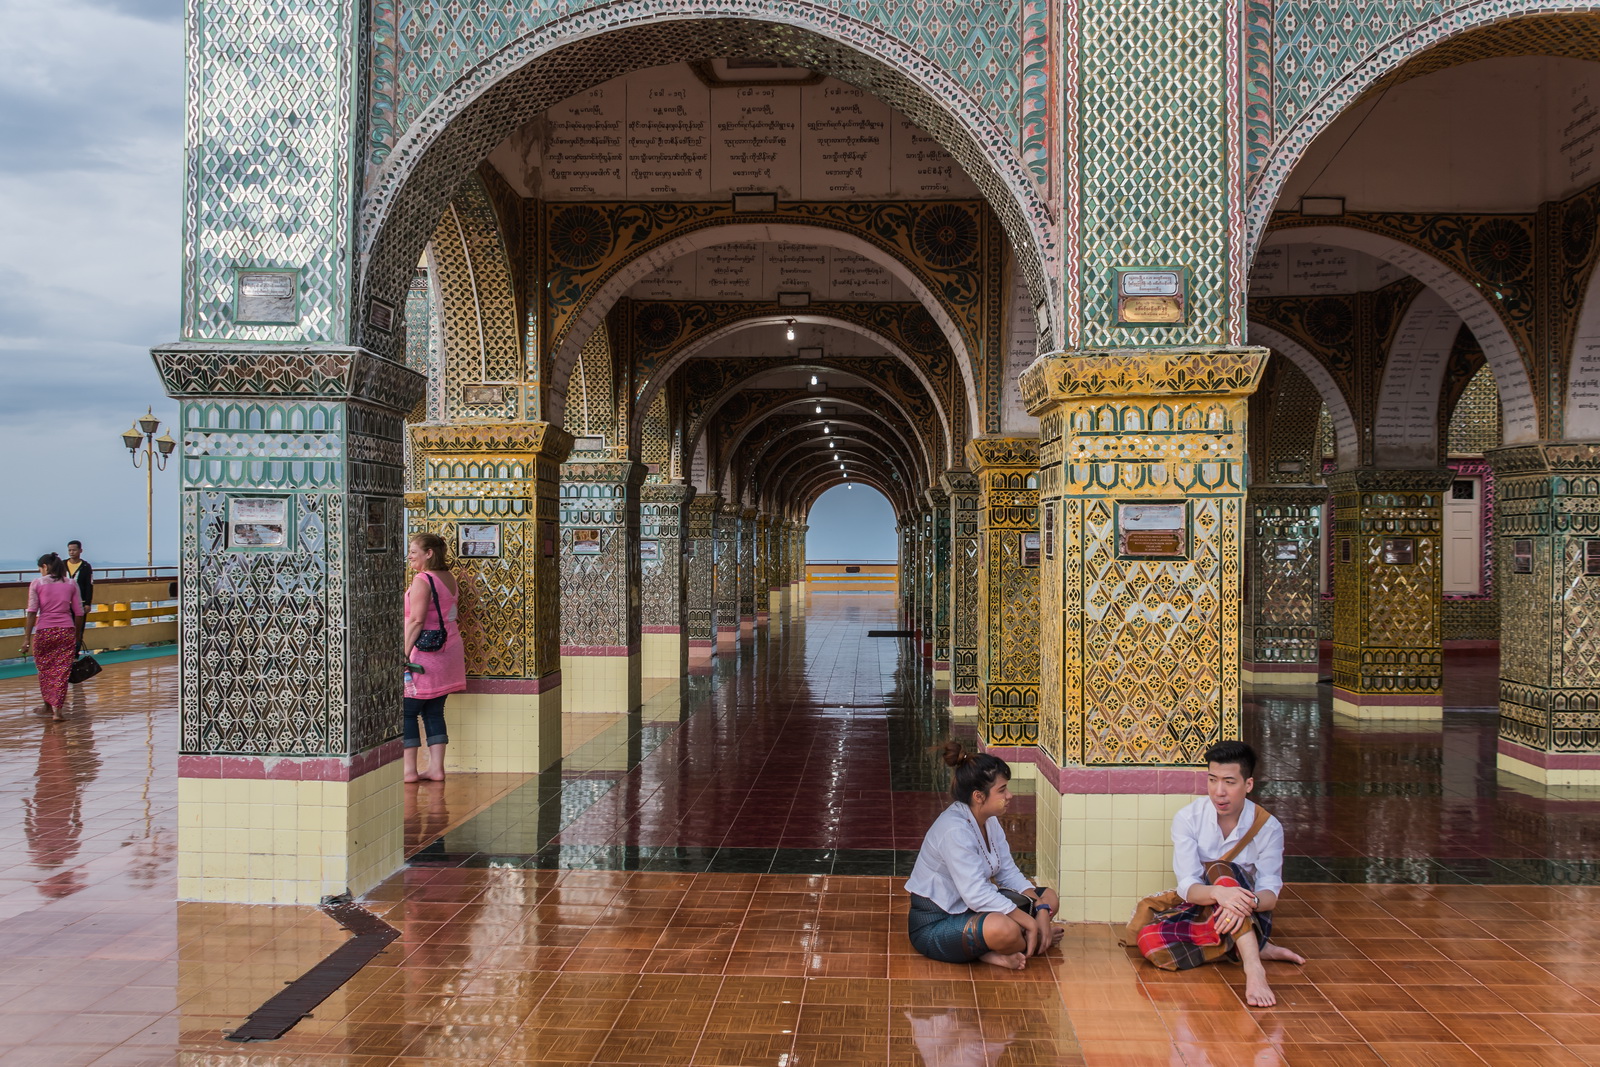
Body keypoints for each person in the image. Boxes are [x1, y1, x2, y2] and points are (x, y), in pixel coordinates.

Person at [1139, 740, 1305, 1007]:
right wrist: (1219, 893)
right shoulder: (1188, 818)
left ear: (1248, 785)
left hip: (1250, 912)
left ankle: (1254, 969)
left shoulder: (1268, 827)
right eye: (1212, 780)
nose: (1219, 792)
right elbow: (1188, 886)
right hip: (1203, 910)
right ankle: (1253, 949)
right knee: (1149, 942)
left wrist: (1241, 901)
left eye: (1229, 782)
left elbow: (1270, 894)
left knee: (1222, 869)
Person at [904, 740, 1064, 970]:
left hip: (974, 911)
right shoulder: (954, 830)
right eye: (1002, 790)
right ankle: (1012, 944)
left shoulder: (989, 822)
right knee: (1004, 928)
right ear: (979, 796)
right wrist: (1032, 924)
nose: (1009, 796)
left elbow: (1009, 874)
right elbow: (976, 895)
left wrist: (1039, 907)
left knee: (1050, 898)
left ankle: (1003, 947)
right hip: (937, 923)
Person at [401, 533, 464, 783]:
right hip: (449, 649)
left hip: (424, 654)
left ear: (429, 553)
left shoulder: (423, 579)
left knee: (406, 711)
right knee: (434, 711)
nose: (409, 557)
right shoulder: (448, 577)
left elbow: (416, 620)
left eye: (413, 552)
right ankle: (436, 769)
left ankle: (409, 771)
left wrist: (402, 655)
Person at [21, 553, 86, 721]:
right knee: (62, 670)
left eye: (40, 568)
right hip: (66, 631)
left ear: (45, 567)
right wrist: (77, 635)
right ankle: (58, 711)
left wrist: (27, 638)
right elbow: (79, 613)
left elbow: (32, 611)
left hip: (44, 632)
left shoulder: (37, 583)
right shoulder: (71, 584)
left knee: (45, 670)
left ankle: (47, 706)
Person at [64, 541, 94, 614]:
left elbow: (89, 585)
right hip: (65, 601)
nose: (71, 552)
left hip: (80, 601)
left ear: (80, 551)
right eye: (69, 550)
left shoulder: (86, 566)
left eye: (74, 550)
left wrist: (87, 603)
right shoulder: (63, 565)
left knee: (79, 623)